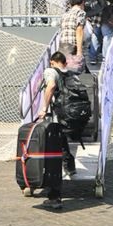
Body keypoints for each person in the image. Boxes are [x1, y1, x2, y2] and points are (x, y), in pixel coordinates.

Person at [35, 51, 74, 210]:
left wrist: (44, 108)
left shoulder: (50, 71)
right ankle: (70, 166)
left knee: (53, 159)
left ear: (52, 61)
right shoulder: (70, 73)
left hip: (57, 118)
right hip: (69, 116)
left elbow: (51, 86)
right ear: (64, 62)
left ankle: (55, 197)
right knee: (62, 144)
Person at [59, 0, 88, 71]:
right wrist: (79, 51)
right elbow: (79, 31)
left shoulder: (65, 14)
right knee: (73, 68)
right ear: (82, 3)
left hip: (63, 43)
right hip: (72, 44)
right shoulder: (80, 13)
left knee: (63, 67)